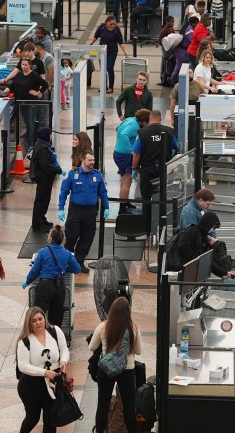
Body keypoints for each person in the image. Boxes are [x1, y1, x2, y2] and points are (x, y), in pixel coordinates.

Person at [90, 297, 141, 433]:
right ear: (128, 312)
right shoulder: (133, 329)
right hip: (127, 369)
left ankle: (100, 431)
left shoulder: (103, 326)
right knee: (129, 406)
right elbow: (138, 351)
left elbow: (92, 346)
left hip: (106, 369)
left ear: (111, 310)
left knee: (103, 404)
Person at [16, 307, 69, 433]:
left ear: (45, 319)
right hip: (30, 386)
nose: (38, 322)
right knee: (32, 418)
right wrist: (45, 373)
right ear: (29, 323)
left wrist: (63, 361)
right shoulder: (24, 341)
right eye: (34, 321)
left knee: (51, 420)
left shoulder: (55, 331)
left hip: (52, 384)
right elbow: (22, 366)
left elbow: (64, 349)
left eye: (40, 319)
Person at [58, 151, 110, 273]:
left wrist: (106, 207)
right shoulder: (72, 175)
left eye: (93, 160)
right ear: (83, 160)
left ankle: (79, 261)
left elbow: (103, 192)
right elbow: (63, 192)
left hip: (91, 212)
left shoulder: (97, 176)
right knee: (72, 236)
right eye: (90, 160)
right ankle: (67, 261)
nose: (92, 162)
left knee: (87, 237)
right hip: (75, 211)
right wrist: (61, 208)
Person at [22, 224, 81, 326]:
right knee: (56, 320)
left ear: (50, 239)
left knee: (37, 315)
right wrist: (65, 268)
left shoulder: (43, 252)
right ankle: (54, 339)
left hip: (45, 287)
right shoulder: (67, 253)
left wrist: (27, 282)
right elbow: (77, 269)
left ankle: (37, 338)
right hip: (60, 288)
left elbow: (35, 270)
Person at [132, 109, 178, 225]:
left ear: (149, 119)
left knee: (146, 198)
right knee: (162, 196)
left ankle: (146, 227)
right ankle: (161, 223)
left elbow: (136, 153)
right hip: (164, 170)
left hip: (147, 169)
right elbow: (176, 147)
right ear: (160, 119)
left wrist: (134, 167)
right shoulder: (169, 131)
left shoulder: (142, 133)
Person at [166, 211, 231, 277]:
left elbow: (207, 261)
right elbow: (182, 246)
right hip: (177, 266)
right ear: (208, 224)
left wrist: (224, 273)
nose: (212, 230)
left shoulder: (203, 237)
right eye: (213, 227)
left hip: (185, 267)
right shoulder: (192, 230)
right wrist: (197, 259)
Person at [3, 58, 49, 149]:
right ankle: (26, 140)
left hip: (30, 103)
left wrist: (38, 92)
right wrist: (4, 92)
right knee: (24, 122)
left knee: (30, 124)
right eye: (22, 65)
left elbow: (45, 84)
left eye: (25, 65)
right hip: (20, 103)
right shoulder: (19, 74)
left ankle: (30, 144)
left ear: (30, 66)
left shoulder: (34, 75)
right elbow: (13, 85)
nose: (23, 67)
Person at [114, 108, 149, 213]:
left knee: (124, 180)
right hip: (124, 156)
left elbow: (117, 129)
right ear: (143, 121)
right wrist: (131, 150)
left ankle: (125, 201)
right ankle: (122, 208)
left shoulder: (130, 119)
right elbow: (124, 134)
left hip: (117, 153)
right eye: (147, 122)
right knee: (127, 181)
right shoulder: (134, 126)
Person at [29, 128, 63, 231]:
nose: (51, 136)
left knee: (45, 199)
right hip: (43, 178)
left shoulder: (43, 145)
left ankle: (41, 218)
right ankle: (37, 223)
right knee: (41, 200)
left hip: (45, 178)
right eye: (50, 134)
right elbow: (45, 167)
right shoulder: (43, 149)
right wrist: (57, 170)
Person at [89, 15, 129, 94]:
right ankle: (104, 86)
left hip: (112, 51)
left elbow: (120, 42)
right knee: (103, 69)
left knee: (109, 68)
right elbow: (96, 36)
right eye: (111, 24)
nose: (112, 26)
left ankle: (111, 87)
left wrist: (125, 51)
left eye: (114, 24)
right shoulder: (102, 27)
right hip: (102, 51)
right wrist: (89, 45)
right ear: (106, 23)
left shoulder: (116, 30)